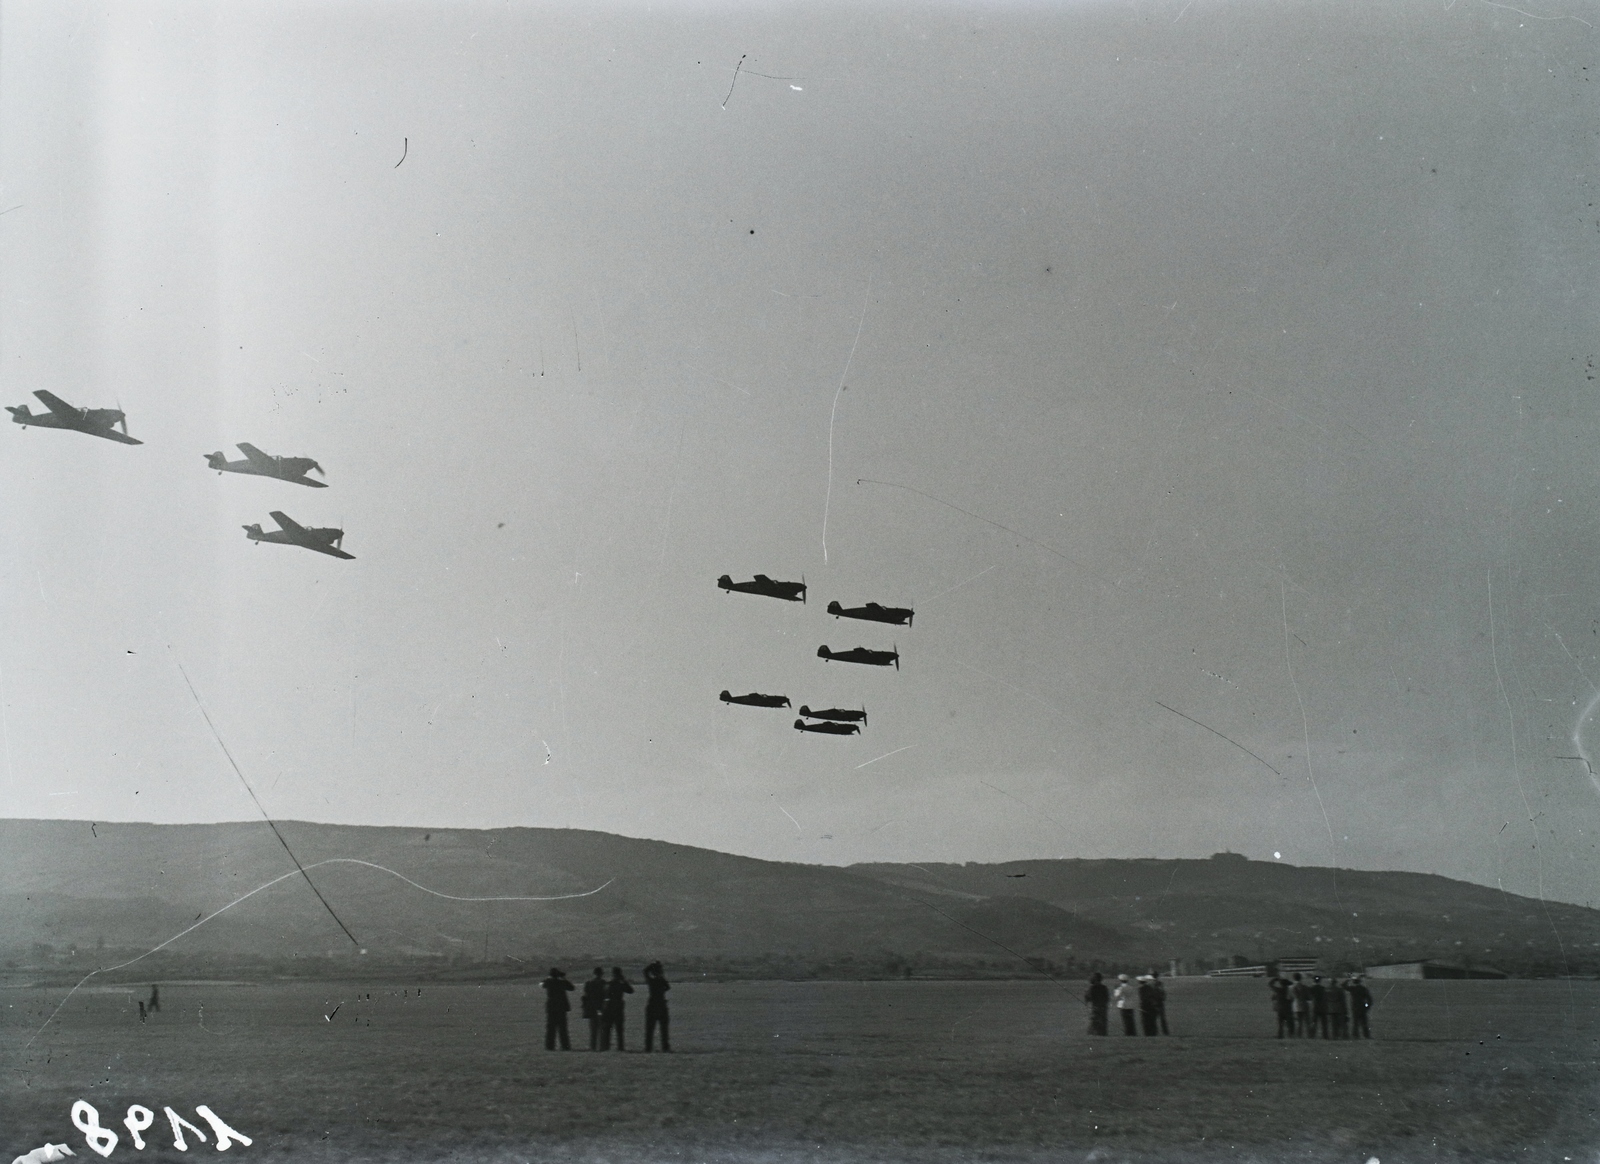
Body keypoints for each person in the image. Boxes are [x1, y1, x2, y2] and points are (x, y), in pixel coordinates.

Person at [540, 967, 574, 1050]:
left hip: (551, 1008)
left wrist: (548, 977)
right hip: (561, 1008)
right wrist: (563, 978)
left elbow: (541, 984)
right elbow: (572, 988)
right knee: (563, 1028)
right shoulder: (562, 982)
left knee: (550, 1028)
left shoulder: (548, 982)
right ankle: (565, 1046)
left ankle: (549, 1046)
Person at [601, 966, 634, 1051]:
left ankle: (605, 1047)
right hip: (619, 1008)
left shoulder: (609, 984)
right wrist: (624, 981)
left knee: (607, 1030)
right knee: (619, 1030)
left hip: (609, 1008)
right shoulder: (620, 984)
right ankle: (620, 1047)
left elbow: (605, 995)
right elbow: (630, 990)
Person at [643, 961, 671, 1052]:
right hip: (662, 1006)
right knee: (664, 1030)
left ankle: (648, 1048)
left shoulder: (651, 981)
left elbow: (645, 972)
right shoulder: (661, 980)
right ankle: (665, 1047)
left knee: (650, 1030)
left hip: (652, 1006)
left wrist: (651, 966)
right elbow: (667, 987)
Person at [582, 967, 607, 1051]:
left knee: (593, 1030)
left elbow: (586, 996)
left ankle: (592, 1047)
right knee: (602, 1029)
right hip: (601, 1008)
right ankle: (602, 1047)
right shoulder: (604, 983)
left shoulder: (589, 983)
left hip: (592, 1008)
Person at [1291, 973, 1313, 1037]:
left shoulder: (1291, 987)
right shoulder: (1305, 987)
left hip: (1296, 1006)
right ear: (1301, 978)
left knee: (1298, 1022)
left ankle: (1298, 1035)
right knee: (1307, 1022)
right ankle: (1309, 1035)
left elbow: (1290, 997)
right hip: (1304, 1005)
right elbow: (1309, 997)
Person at [1150, 969, 1169, 1035]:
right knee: (1162, 1018)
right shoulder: (1160, 983)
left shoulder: (1151, 984)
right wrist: (1163, 998)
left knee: (1153, 1018)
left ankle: (1154, 1032)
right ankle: (1165, 1032)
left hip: (1154, 1003)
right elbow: (1163, 992)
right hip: (1160, 1002)